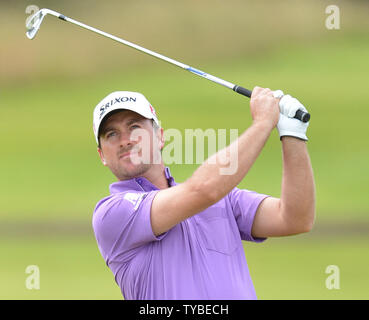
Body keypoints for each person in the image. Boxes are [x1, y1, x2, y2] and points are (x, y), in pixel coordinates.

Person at [91, 87, 315, 300]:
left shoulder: (224, 198)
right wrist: (263, 123)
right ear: (102, 155)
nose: (125, 140)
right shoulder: (112, 213)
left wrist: (293, 134)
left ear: (160, 137)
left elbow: (295, 219)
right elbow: (203, 191)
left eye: (135, 127)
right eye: (111, 134)